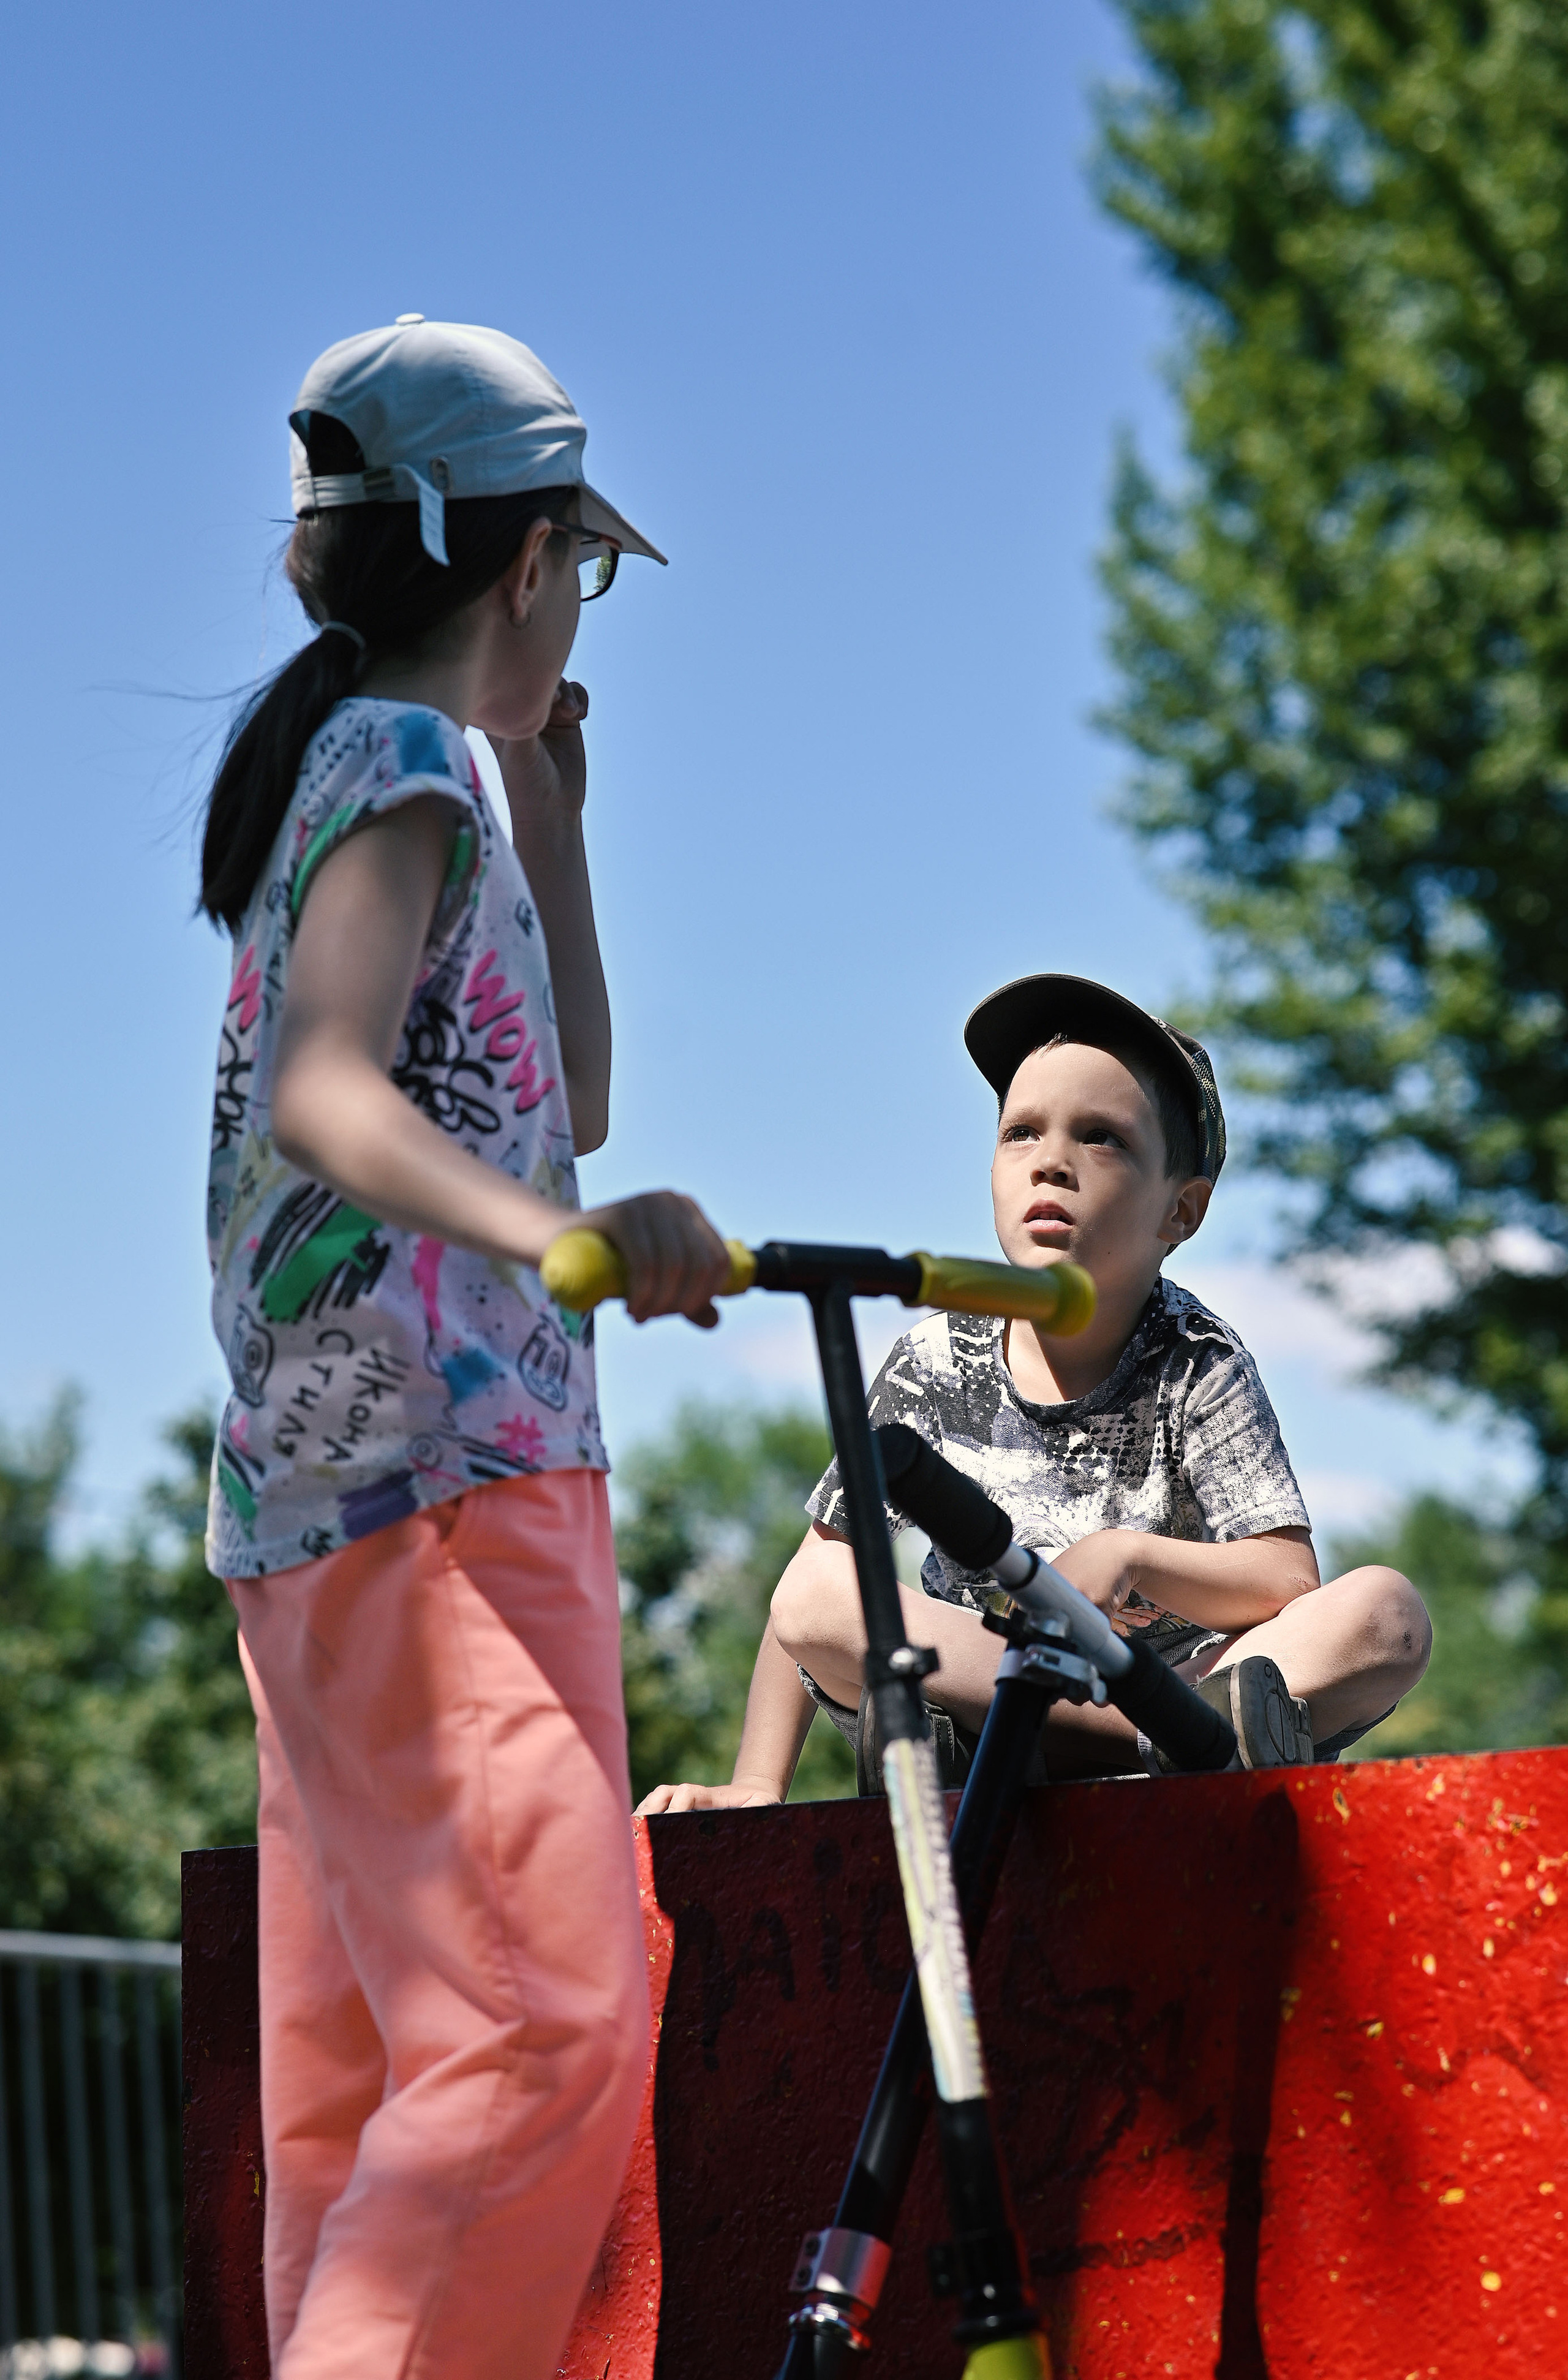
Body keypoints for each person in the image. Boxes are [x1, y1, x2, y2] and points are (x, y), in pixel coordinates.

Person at [199, 317, 731, 2380]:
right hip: (447, 1480)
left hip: (322, 1508)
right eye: (578, 570)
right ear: (529, 566)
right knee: (541, 2019)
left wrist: (561, 813)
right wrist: (567, 1241)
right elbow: (334, 1092)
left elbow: (560, 1088)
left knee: (366, 2080)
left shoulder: (393, 774)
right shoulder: (395, 765)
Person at [637, 973, 1431, 1813]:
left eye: (1101, 1137)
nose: (1050, 1159)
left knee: (1388, 1611)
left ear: (1182, 1210)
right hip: (986, 1675)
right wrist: (759, 1784)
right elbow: (813, 1587)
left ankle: (1097, 1742)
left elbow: (1284, 1577)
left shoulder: (1199, 1359)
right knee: (815, 1592)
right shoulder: (936, 1358)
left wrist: (1133, 1554)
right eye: (1021, 1132)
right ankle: (1114, 1745)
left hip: (1177, 1685)